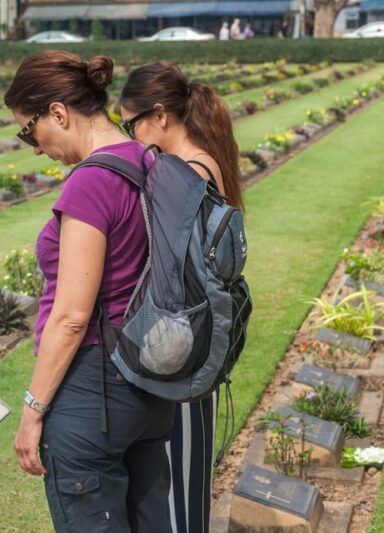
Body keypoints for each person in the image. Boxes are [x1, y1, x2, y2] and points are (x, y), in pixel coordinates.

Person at [5, 50, 175, 532]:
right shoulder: (149, 159)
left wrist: (33, 411)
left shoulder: (91, 183)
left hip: (94, 390)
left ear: (58, 112)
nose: (34, 147)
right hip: (149, 380)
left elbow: (71, 316)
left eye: (28, 130)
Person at [118, 61, 244, 533]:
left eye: (131, 125)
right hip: (200, 337)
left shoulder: (178, 173)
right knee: (188, 487)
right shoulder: (207, 161)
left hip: (179, 344)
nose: (131, 137)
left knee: (175, 493)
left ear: (160, 115)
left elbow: (166, 274)